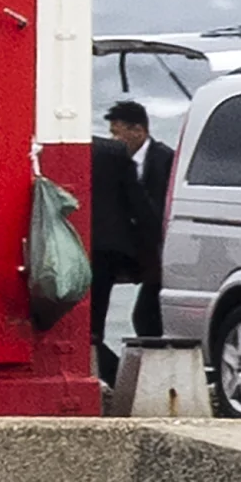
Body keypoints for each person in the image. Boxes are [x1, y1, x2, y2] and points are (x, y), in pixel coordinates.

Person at [88, 97, 173, 389]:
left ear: (138, 131)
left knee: (145, 316)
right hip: (127, 250)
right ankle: (127, 379)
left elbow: (153, 211)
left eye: (118, 131)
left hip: (153, 251)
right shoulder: (113, 158)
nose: (114, 138)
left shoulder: (165, 159)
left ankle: (148, 380)